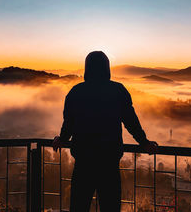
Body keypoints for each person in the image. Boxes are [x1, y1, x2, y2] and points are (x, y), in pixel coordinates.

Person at [52, 51, 158, 212]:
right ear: (107, 68)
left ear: (87, 68)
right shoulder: (118, 91)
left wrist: (62, 139)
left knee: (79, 207)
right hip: (109, 162)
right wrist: (144, 143)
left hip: (83, 163)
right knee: (110, 207)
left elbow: (69, 124)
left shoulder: (76, 92)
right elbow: (131, 122)